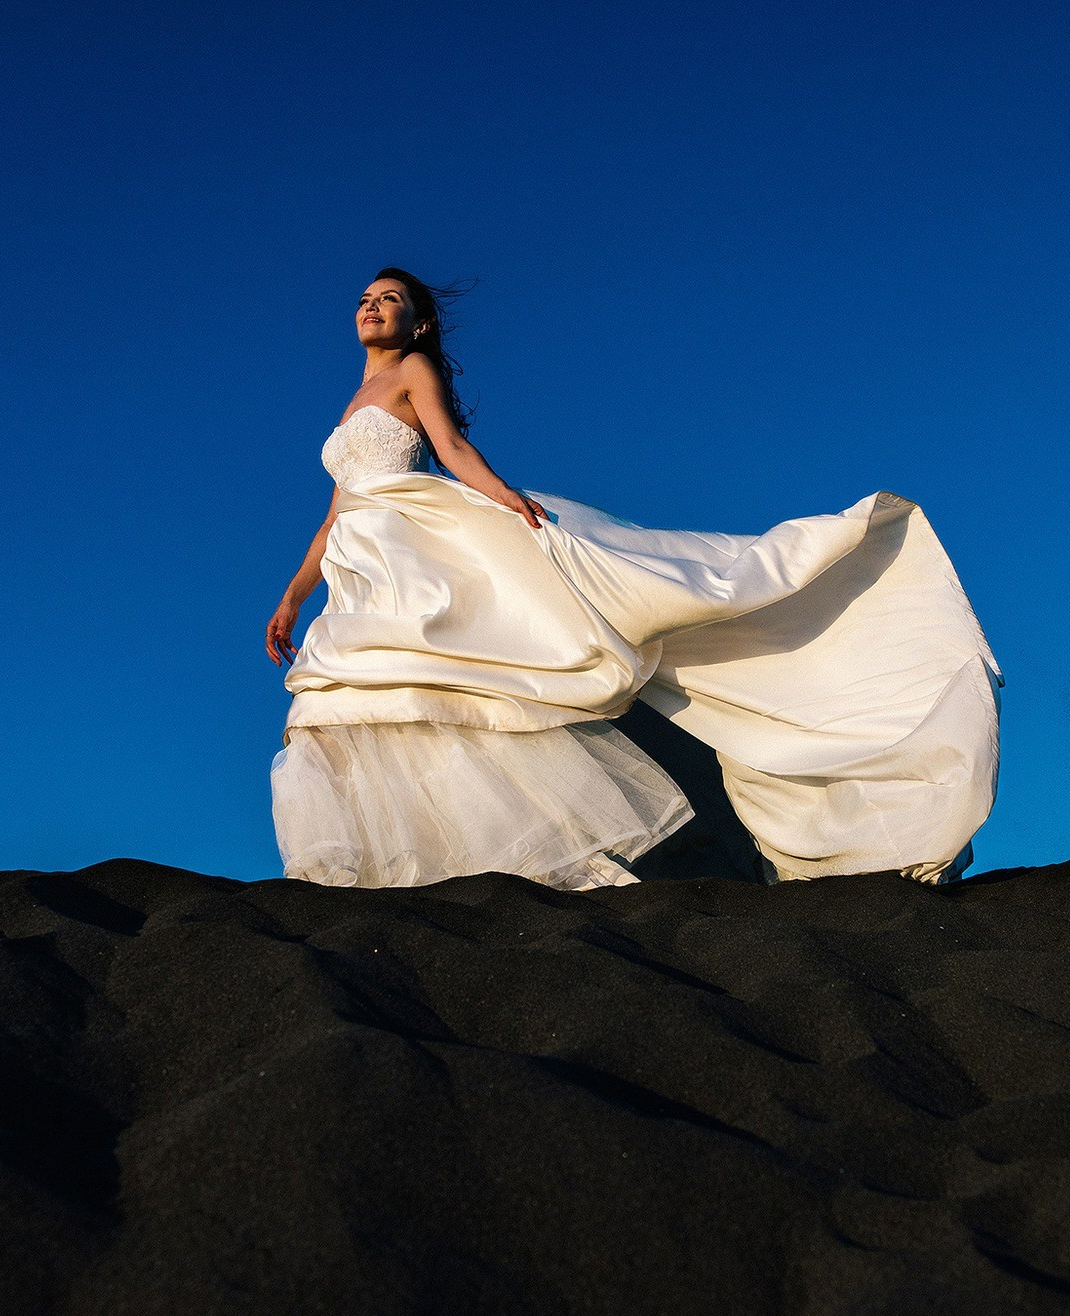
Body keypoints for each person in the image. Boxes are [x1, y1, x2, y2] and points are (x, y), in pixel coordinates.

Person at [267, 267, 1001, 890]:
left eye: (389, 298)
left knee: (440, 680)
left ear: (419, 324)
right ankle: (400, 860)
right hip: (360, 563)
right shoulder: (350, 405)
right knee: (365, 698)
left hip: (412, 548)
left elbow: (452, 447)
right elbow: (338, 511)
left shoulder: (412, 373)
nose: (371, 306)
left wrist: (504, 500)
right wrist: (294, 597)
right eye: (365, 298)